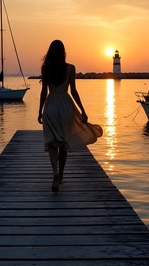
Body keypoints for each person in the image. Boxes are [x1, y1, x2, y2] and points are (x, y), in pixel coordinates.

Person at [38, 39, 103, 193]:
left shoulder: (45, 68)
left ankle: (54, 171)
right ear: (63, 52)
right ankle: (60, 176)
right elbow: (73, 91)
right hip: (66, 106)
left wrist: (39, 111)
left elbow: (43, 92)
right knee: (63, 142)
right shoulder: (70, 68)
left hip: (51, 106)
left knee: (51, 142)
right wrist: (83, 110)